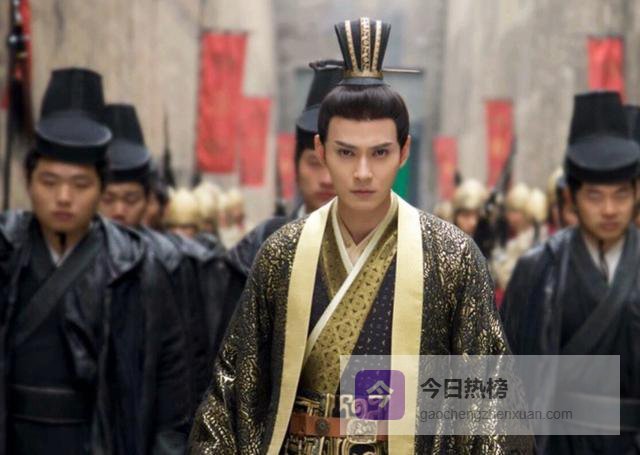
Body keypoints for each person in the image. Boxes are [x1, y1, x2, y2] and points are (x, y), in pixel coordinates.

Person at [190, 18, 524, 454]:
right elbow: (234, 390)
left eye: (379, 153)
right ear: (320, 150)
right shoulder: (281, 254)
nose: (363, 172)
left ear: (404, 151)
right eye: (346, 152)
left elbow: (489, 399)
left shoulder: (452, 256)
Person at [0, 68, 188, 454]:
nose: (63, 197)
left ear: (101, 187)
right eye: (49, 182)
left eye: (81, 184)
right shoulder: (6, 250)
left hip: (99, 441)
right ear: (28, 182)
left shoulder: (139, 267)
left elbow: (171, 393)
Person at [501, 91, 640, 454]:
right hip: (559, 442)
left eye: (620, 195)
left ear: (636, 194)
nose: (609, 209)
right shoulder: (538, 269)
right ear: (571, 199)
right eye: (595, 196)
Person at [98, 103, 211, 416]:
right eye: (109, 199)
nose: (119, 211)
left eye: (130, 199)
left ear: (148, 200)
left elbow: (189, 360)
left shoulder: (170, 262)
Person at [219, 59, 343, 336]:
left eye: (337, 163)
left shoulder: (397, 252)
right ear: (296, 167)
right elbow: (229, 350)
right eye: (314, 163)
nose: (326, 178)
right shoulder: (260, 246)